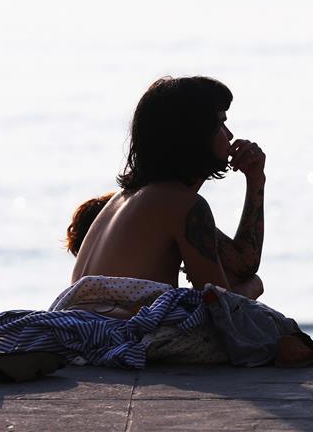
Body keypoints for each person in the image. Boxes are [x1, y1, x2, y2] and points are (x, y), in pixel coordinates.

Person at [71, 76, 266, 299]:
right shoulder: (182, 204)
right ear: (196, 134)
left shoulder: (127, 199)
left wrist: (255, 181)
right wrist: (254, 288)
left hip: (85, 329)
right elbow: (220, 308)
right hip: (121, 331)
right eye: (220, 123)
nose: (229, 135)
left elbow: (242, 263)